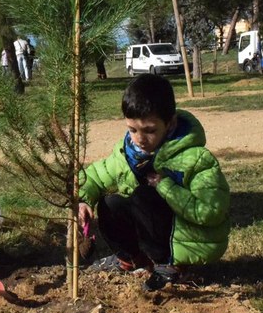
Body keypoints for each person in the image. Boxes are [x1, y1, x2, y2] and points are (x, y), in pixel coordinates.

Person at [77, 74, 230, 292]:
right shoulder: (129, 153)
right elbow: (96, 176)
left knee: (145, 197)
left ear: (170, 124)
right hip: (155, 232)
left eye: (149, 130)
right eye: (132, 129)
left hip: (186, 240)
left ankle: (173, 267)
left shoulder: (194, 159)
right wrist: (83, 200)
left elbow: (211, 211)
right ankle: (134, 260)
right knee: (110, 203)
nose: (139, 138)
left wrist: (166, 187)